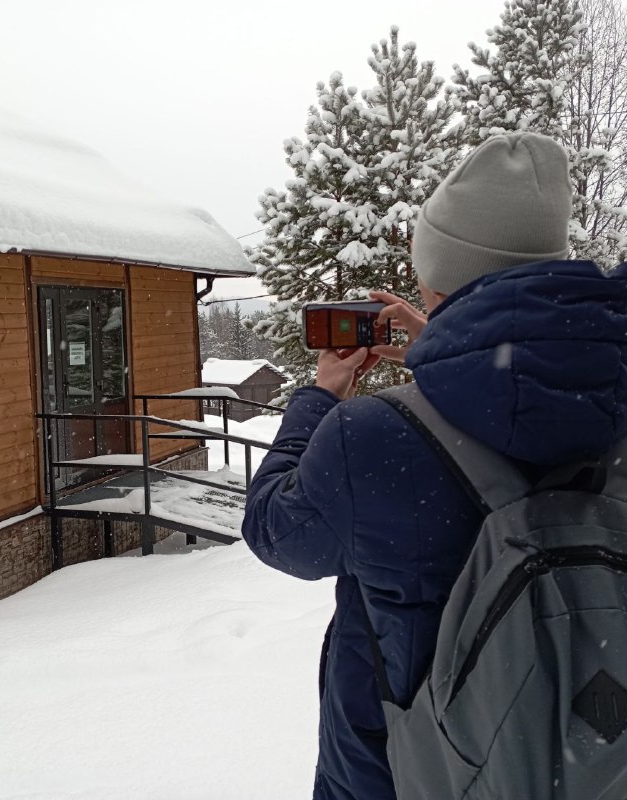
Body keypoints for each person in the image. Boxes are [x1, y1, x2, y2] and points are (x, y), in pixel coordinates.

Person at [241, 132, 627, 800]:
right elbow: (524, 401)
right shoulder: (613, 402)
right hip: (588, 760)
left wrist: (319, 397)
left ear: (433, 275)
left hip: (405, 773)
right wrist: (450, 351)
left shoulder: (371, 437)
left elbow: (276, 531)